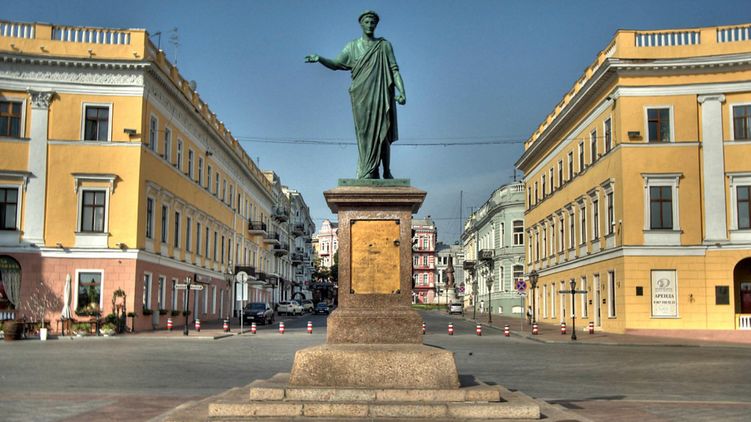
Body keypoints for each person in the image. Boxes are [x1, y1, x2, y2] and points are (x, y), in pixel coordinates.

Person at [305, 10, 406, 179]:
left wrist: (402, 91)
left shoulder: (384, 45)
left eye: (372, 22)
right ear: (361, 24)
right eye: (367, 22)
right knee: (364, 134)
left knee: (382, 132)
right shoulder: (352, 47)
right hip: (361, 96)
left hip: (380, 94)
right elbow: (336, 63)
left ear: (376, 24)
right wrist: (320, 59)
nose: (370, 25)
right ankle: (369, 170)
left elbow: (394, 70)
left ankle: (386, 171)